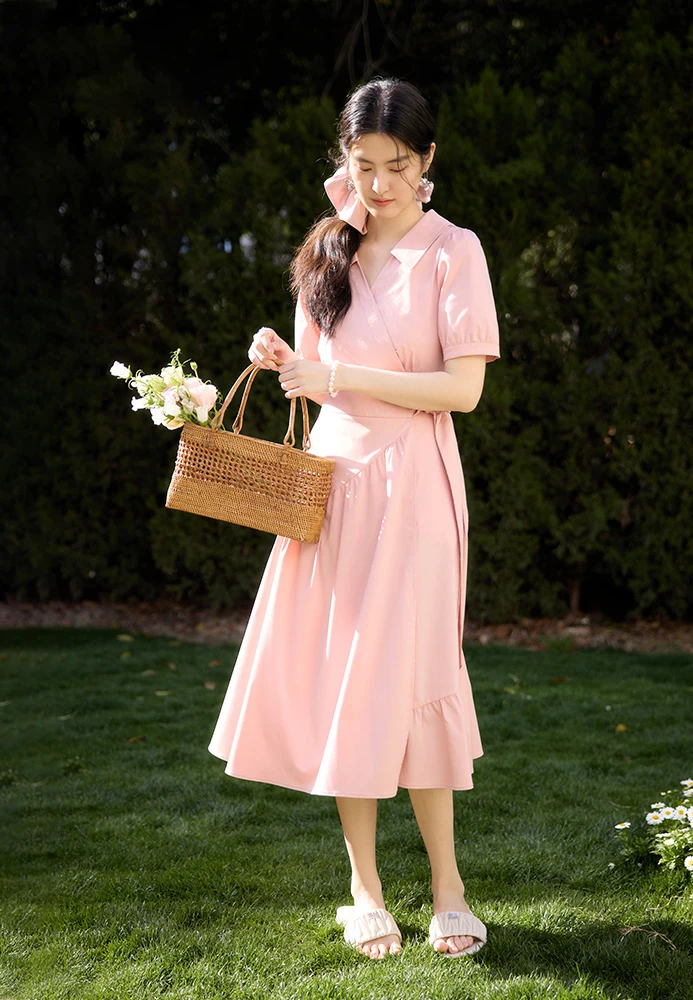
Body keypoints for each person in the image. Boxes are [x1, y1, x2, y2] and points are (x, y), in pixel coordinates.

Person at [207, 76, 501, 961]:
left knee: (418, 676)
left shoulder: (454, 251)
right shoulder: (328, 249)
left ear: (428, 160)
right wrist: (281, 356)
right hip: (335, 486)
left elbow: (463, 389)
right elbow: (313, 372)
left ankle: (449, 887)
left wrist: (339, 376)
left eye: (397, 165)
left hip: (416, 484)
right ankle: (364, 889)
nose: (377, 184)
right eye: (363, 164)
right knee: (351, 681)